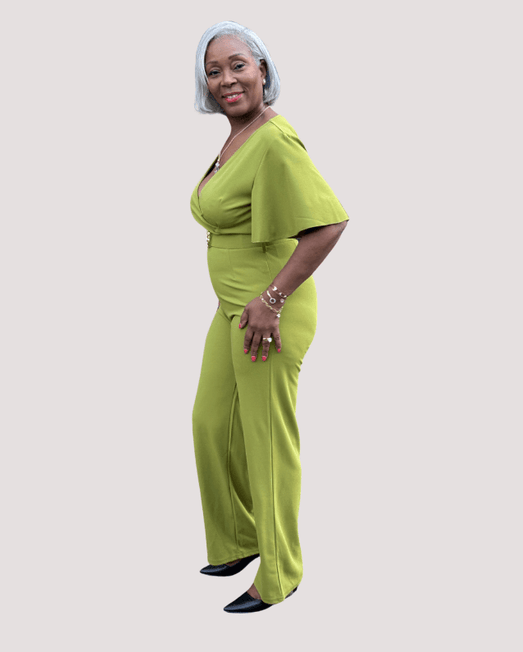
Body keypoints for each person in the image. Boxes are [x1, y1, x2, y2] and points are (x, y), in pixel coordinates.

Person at [190, 21, 349, 613]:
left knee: (267, 441)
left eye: (237, 65)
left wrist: (271, 300)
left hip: (267, 314)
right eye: (213, 71)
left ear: (262, 69)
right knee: (211, 423)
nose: (226, 79)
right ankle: (240, 537)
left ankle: (280, 573)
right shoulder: (238, 136)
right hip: (232, 307)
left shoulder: (275, 139)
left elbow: (329, 223)